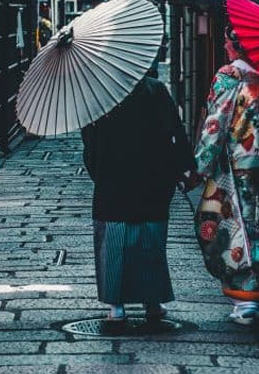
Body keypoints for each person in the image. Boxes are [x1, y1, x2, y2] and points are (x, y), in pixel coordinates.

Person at [81, 65, 193, 324]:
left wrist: (98, 170)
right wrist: (182, 168)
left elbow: (89, 141)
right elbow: (175, 132)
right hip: (152, 181)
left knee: (114, 243)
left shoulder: (100, 95)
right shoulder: (155, 89)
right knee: (150, 242)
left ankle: (116, 307)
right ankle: (152, 303)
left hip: (113, 182)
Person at [191, 25, 259, 325]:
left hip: (234, 162)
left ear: (236, 46)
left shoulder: (230, 75)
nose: (225, 45)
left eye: (228, 41)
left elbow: (217, 120)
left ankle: (242, 297)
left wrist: (201, 163)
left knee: (227, 225)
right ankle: (252, 294)